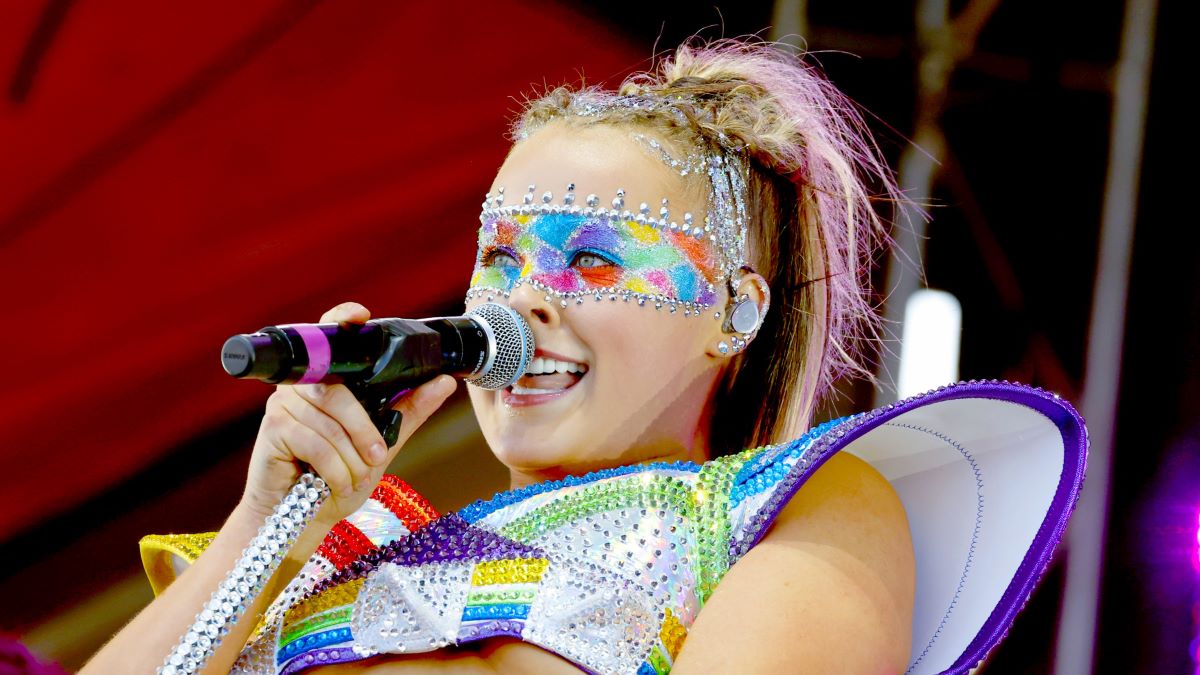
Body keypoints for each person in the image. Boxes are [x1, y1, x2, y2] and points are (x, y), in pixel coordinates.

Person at [82, 38, 1088, 675]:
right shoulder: (347, 534)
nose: (524, 299)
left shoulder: (781, 509)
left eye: (595, 261)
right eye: (501, 258)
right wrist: (269, 527)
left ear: (734, 312)